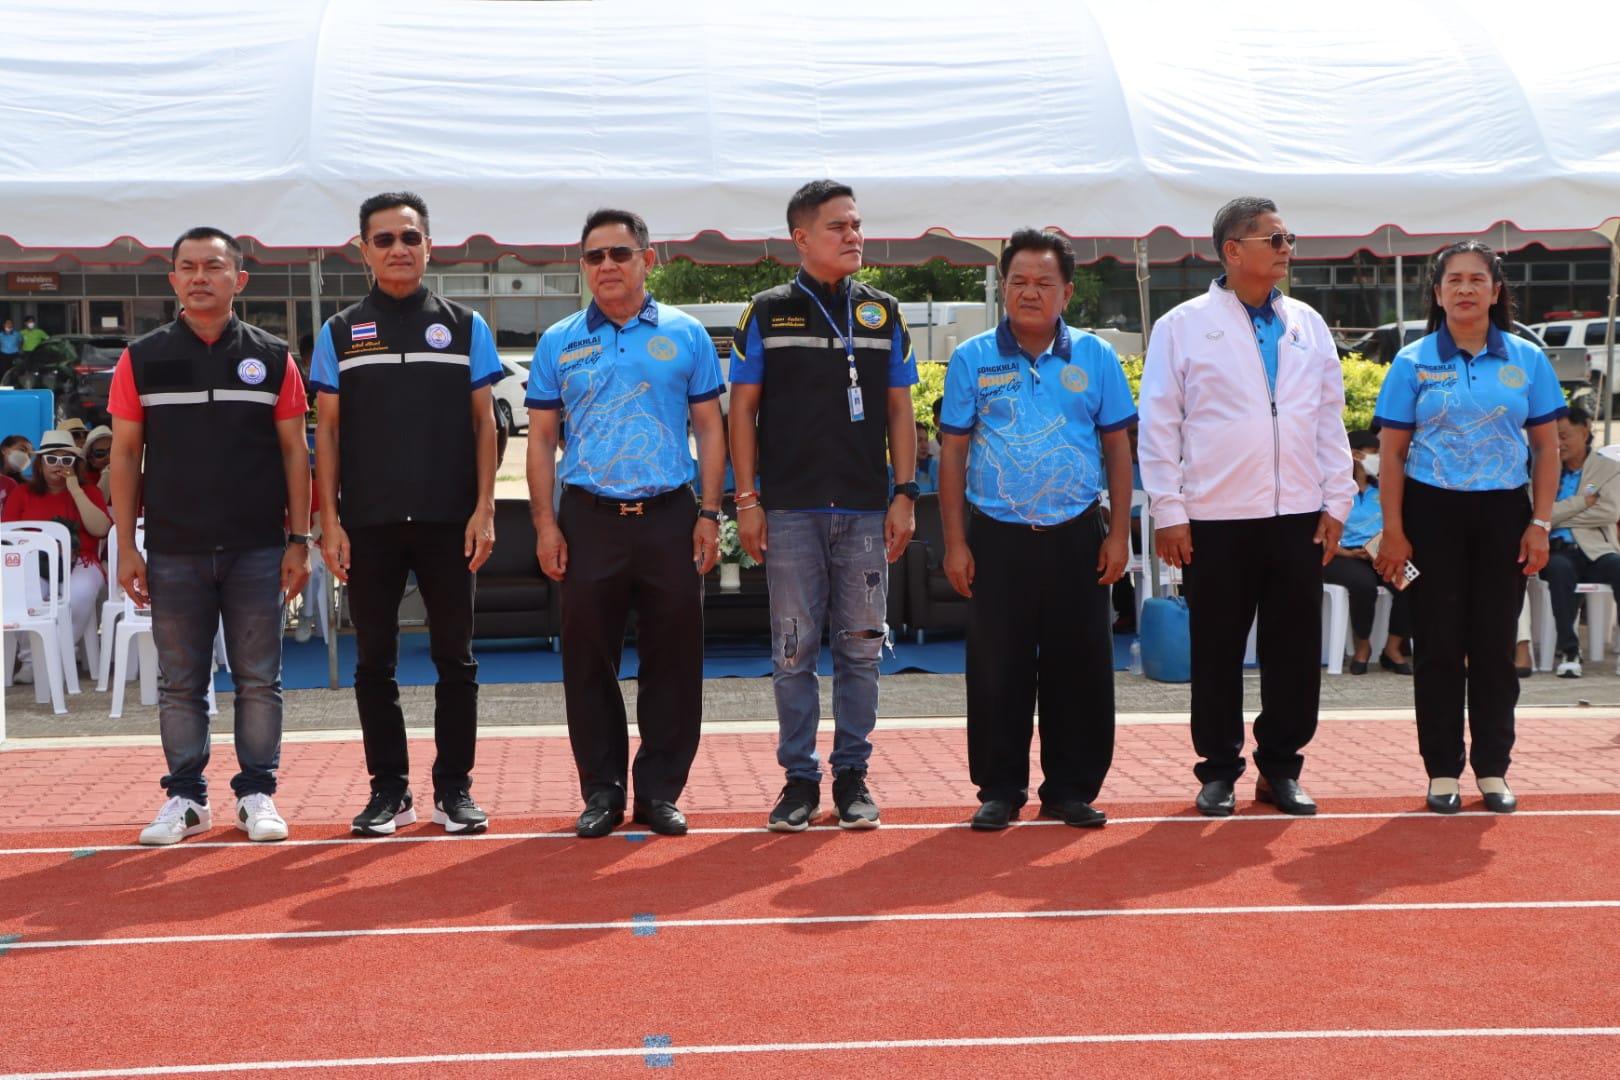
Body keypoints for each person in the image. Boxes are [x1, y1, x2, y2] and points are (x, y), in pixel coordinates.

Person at [1138, 196, 1354, 818]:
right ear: (1233, 251)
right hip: (1216, 518)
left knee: (1294, 652)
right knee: (1216, 650)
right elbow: (1160, 424)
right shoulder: (1182, 325)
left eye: (1289, 239)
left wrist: (1337, 499)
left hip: (1298, 516)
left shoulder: (1307, 323)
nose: (1288, 249)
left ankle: (1280, 768)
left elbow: (1328, 419)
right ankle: (1218, 770)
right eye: (1275, 239)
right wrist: (1169, 510)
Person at [104, 227, 311, 846]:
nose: (200, 277)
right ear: (172, 279)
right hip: (174, 548)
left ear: (238, 279)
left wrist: (299, 539)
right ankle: (187, 799)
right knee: (180, 683)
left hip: (257, 547)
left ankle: (256, 793)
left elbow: (294, 453)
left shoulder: (273, 357)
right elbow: (125, 454)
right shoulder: (142, 357)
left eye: (213, 266)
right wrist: (127, 545)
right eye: (188, 267)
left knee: (258, 679)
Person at [526, 208, 726, 839]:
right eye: (594, 256)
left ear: (647, 259)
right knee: (588, 661)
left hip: (671, 515)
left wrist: (710, 512)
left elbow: (710, 428)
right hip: (589, 519)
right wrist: (545, 525)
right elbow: (540, 441)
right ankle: (603, 791)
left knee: (674, 660)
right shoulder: (558, 340)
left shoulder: (686, 333)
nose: (607, 265)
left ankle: (660, 790)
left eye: (620, 253)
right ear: (583, 266)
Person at [729, 179, 919, 831]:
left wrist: (904, 494)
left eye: (857, 224)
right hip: (789, 512)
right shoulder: (765, 312)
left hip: (866, 511)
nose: (853, 236)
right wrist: (747, 500)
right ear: (801, 237)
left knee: (863, 648)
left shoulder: (884, 312)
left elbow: (900, 409)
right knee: (793, 652)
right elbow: (742, 411)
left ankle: (853, 776)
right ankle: (799, 782)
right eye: (839, 226)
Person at [312, 191, 501, 837]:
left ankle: (454, 790)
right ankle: (390, 791)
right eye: (385, 239)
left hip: (451, 521)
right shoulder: (340, 332)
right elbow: (326, 431)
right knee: (374, 663)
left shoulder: (466, 326)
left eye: (410, 237)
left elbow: (485, 424)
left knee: (457, 660)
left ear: (429, 245)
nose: (399, 249)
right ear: (362, 249)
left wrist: (484, 509)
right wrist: (330, 520)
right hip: (369, 524)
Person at [937, 229, 1136, 831]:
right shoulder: (973, 358)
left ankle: (1071, 789)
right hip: (996, 536)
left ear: (1066, 292)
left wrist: (1119, 534)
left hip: (1078, 533)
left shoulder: (1095, 356)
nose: (1029, 292)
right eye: (1018, 281)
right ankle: (999, 789)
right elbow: (952, 453)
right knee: (998, 667)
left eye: (1043, 282)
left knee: (1081, 665)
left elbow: (1117, 447)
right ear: (1003, 287)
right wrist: (955, 543)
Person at [1373, 240, 1564, 815]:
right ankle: (1441, 770)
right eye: (1453, 280)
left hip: (1504, 515)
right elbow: (1391, 454)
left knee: (1494, 648)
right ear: (1437, 293)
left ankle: (1493, 768)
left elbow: (1547, 448)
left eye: (1477, 279)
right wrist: (1393, 529)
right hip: (1431, 515)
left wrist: (1540, 522)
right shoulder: (1412, 361)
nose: (1465, 289)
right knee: (1437, 647)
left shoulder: (1527, 359)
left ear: (1495, 290)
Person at [3, 429, 112, 685]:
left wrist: (75, 490)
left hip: (81, 560)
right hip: (32, 562)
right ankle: (32, 659)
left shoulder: (89, 491)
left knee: (79, 593)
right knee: (25, 594)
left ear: (75, 464)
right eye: (51, 459)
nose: (58, 465)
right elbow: (6, 535)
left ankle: (59, 653)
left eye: (66, 459)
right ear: (41, 464)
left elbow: (101, 529)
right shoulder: (22, 493)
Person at [1536, 406, 1620, 678]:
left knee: (1618, 566)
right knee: (1559, 570)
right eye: (1553, 437)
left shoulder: (1608, 469)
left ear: (1584, 431)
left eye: (1563, 436)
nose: (1558, 444)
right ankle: (1570, 651)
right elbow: (1537, 512)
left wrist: (1556, 514)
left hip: (1597, 550)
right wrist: (1583, 503)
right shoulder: (1544, 468)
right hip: (1558, 551)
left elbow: (1610, 512)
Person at [1323, 448, 1411, 674]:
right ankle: (1362, 647)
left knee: (1411, 581)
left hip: (1380, 553)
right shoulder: (1333, 491)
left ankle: (1392, 648)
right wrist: (1349, 553)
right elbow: (1321, 534)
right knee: (1363, 585)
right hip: (1342, 555)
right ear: (1355, 454)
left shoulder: (1383, 490)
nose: (1378, 458)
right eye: (1373, 452)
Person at [81, 425, 113, 501]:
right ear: (91, 460)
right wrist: (107, 473)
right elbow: (98, 503)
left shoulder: (132, 474)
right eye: (100, 453)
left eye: (112, 450)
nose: (108, 456)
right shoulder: (85, 481)